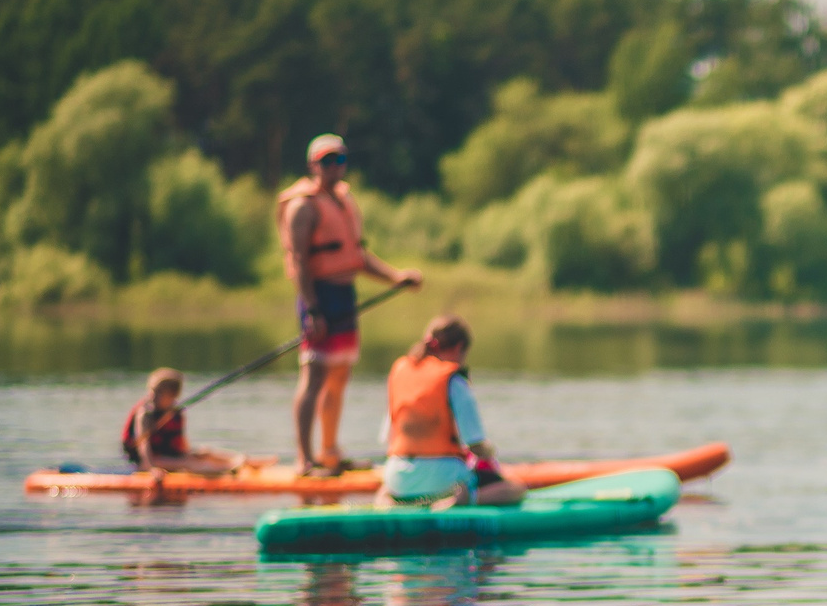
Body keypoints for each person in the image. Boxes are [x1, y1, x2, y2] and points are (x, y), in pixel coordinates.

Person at [278, 133, 421, 476]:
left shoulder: (343, 200)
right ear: (313, 165)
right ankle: (304, 460)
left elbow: (356, 256)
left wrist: (395, 277)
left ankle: (329, 453)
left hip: (345, 295)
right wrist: (313, 310)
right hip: (319, 297)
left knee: (339, 375)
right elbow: (299, 262)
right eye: (327, 161)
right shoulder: (302, 207)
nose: (334, 167)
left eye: (339, 159)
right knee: (314, 376)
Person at [378, 316, 526, 510]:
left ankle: (388, 501)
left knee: (386, 487)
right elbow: (476, 445)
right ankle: (462, 500)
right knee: (515, 490)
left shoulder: (401, 372)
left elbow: (388, 438)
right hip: (444, 479)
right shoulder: (454, 380)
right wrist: (491, 455)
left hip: (398, 477)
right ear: (459, 347)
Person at [120, 368, 252, 476]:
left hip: (164, 456)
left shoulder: (175, 413)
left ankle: (243, 460)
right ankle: (229, 469)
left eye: (159, 393)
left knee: (203, 453)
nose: (153, 397)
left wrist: (192, 454)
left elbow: (181, 447)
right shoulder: (145, 414)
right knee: (187, 463)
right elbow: (144, 449)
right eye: (152, 391)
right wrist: (151, 469)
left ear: (173, 396)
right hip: (149, 461)